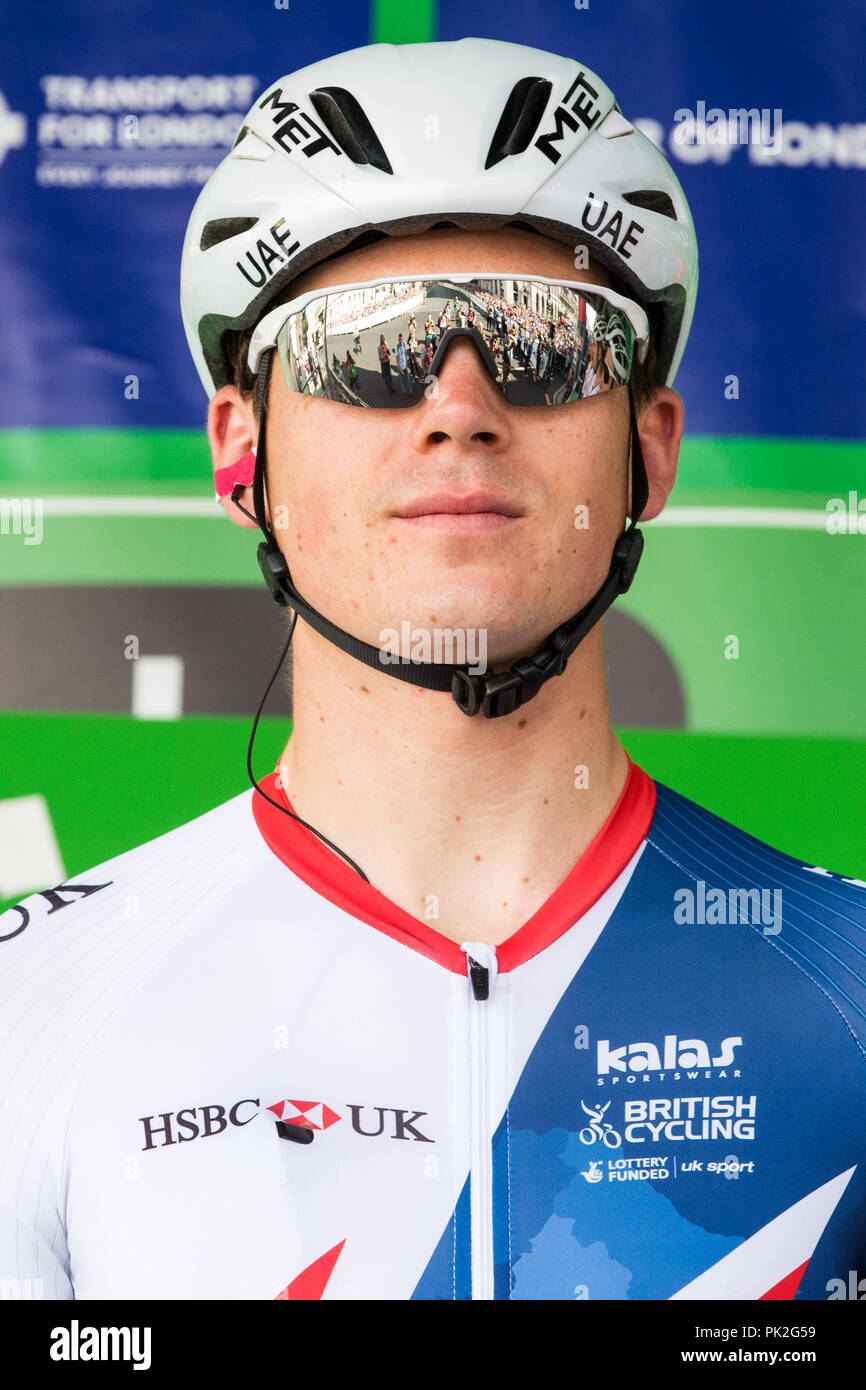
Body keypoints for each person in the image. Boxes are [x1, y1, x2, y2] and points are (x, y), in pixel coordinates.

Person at [3, 37, 863, 1304]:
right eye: (369, 346)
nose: (458, 405)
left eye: (541, 340)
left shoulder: (845, 989)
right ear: (243, 451)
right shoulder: (31, 1010)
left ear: (650, 448)